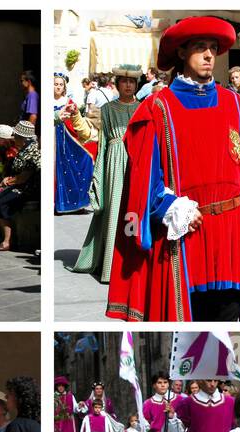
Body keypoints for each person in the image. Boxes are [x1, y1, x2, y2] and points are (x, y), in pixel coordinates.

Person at [106, 18, 240, 322]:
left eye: (213, 48)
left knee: (229, 319)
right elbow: (144, 180)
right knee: (188, 326)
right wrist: (171, 206)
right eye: (200, 47)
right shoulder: (158, 108)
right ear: (182, 52)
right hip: (186, 236)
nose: (210, 55)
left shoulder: (236, 104)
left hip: (231, 238)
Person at [71, 65, 140, 279]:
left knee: (133, 208)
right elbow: (101, 143)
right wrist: (99, 170)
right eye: (124, 81)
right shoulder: (108, 108)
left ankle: (130, 262)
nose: (128, 85)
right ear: (117, 84)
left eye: (131, 82)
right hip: (114, 159)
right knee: (115, 208)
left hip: (137, 158)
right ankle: (110, 264)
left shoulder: (143, 107)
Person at [0, 120, 41, 253]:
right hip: (20, 185)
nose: (13, 138)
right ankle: (6, 239)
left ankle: (7, 241)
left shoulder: (32, 151)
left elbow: (24, 176)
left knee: (0, 202)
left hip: (27, 189)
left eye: (16, 136)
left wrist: (6, 183)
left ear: (23, 138)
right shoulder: (24, 149)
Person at [53, 74, 95, 214]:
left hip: (68, 140)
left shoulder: (69, 101)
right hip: (53, 139)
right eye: (55, 84)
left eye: (60, 84)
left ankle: (75, 202)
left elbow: (77, 121)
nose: (58, 87)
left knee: (84, 159)